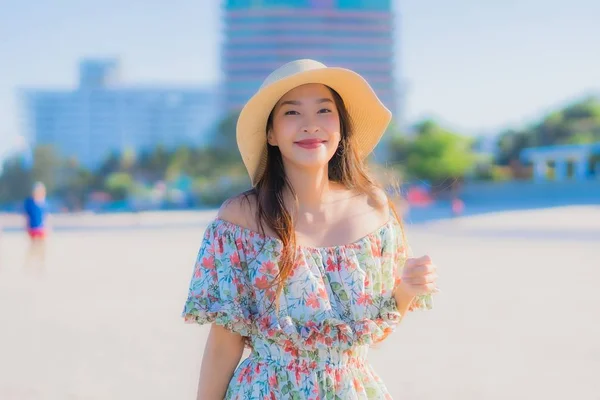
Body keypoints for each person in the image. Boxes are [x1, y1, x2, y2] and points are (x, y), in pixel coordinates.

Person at [182, 59, 439, 399]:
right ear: (270, 133)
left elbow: (373, 334)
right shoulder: (239, 220)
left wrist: (407, 289)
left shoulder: (374, 210)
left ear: (341, 126)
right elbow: (223, 345)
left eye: (323, 111)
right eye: (291, 113)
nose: (310, 126)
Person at [24, 181, 49, 268]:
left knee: (42, 246)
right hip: (33, 228)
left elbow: (46, 216)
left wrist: (47, 227)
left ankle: (41, 264)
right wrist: (26, 227)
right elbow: (26, 216)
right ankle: (29, 263)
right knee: (33, 246)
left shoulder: (44, 202)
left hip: (41, 228)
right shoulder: (29, 202)